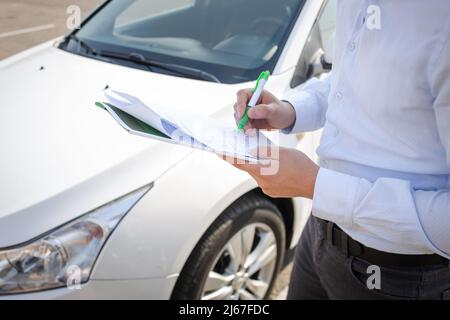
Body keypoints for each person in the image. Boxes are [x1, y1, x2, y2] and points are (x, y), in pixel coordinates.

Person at [227, 0, 450, 299]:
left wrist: (315, 185)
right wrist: (291, 111)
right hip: (318, 235)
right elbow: (346, 78)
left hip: (399, 277)